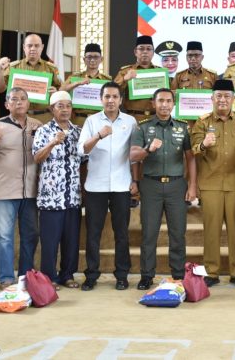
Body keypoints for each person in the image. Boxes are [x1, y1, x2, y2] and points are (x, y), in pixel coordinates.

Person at [130, 88, 197, 289]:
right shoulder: (142, 128)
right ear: (153, 103)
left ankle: (178, 274)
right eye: (160, 101)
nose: (164, 105)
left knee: (178, 233)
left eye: (168, 101)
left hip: (177, 185)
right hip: (151, 185)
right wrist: (148, 150)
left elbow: (190, 158)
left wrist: (192, 185)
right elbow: (133, 156)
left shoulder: (183, 128)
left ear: (173, 104)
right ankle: (146, 275)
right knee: (149, 233)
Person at [190, 80, 235, 287]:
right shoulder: (201, 122)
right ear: (212, 98)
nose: (223, 100)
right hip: (210, 184)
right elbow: (193, 150)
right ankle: (212, 271)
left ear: (234, 99)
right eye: (219, 96)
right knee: (211, 229)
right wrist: (203, 144)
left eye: (227, 96)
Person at [78, 82, 139, 291]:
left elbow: (134, 155)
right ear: (101, 99)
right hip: (96, 186)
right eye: (107, 97)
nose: (111, 100)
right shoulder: (92, 121)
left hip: (122, 185)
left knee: (121, 233)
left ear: (121, 100)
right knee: (93, 233)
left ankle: (122, 275)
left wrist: (135, 181)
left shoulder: (130, 122)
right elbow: (82, 150)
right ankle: (91, 275)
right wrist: (99, 135)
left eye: (115, 97)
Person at [0, 87, 41, 288]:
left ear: (28, 103)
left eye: (23, 99)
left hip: (31, 191)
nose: (19, 103)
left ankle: (25, 276)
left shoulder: (37, 126)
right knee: (4, 236)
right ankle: (6, 277)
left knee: (30, 235)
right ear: (7, 104)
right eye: (14, 99)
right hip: (6, 191)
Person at [32, 91, 82, 288]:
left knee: (71, 241)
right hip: (51, 197)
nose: (65, 110)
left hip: (73, 196)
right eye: (60, 106)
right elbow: (37, 158)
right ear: (52, 109)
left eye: (68, 106)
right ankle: (49, 277)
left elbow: (84, 160)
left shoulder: (78, 131)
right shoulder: (44, 131)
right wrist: (53, 142)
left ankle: (67, 275)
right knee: (50, 241)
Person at [0, 33, 61, 124]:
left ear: (42, 47)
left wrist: (56, 93)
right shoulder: (14, 67)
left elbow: (61, 92)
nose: (33, 48)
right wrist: (0, 69)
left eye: (36, 46)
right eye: (29, 46)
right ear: (24, 47)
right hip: (20, 116)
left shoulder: (51, 68)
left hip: (44, 117)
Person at [61, 43, 112, 126]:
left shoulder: (106, 80)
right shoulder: (75, 77)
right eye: (89, 57)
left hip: (99, 120)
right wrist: (77, 83)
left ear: (101, 59)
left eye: (96, 57)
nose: (92, 60)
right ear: (84, 59)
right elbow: (61, 91)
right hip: (78, 120)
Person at [114, 35, 161, 120]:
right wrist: (125, 79)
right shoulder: (125, 71)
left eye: (148, 49)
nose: (145, 52)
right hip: (133, 118)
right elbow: (113, 91)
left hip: (156, 118)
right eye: (141, 49)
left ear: (153, 52)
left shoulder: (160, 73)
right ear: (135, 52)